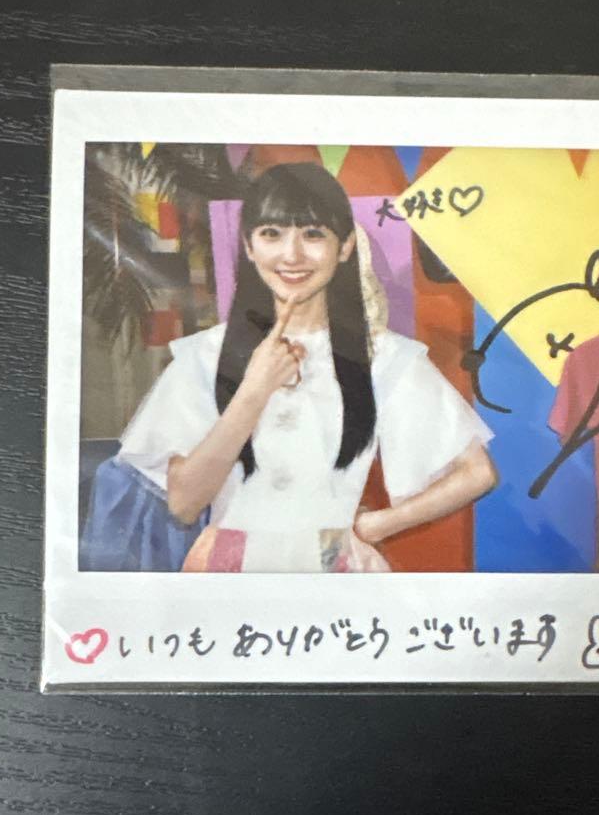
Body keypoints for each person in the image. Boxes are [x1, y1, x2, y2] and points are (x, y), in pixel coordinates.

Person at [115, 162, 498, 572]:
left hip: (332, 560)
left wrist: (376, 525)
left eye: (313, 234)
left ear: (345, 247)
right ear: (248, 246)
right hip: (227, 564)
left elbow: (477, 472)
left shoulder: (383, 356)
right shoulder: (205, 355)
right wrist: (254, 391)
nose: (292, 255)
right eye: (271, 234)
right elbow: (184, 504)